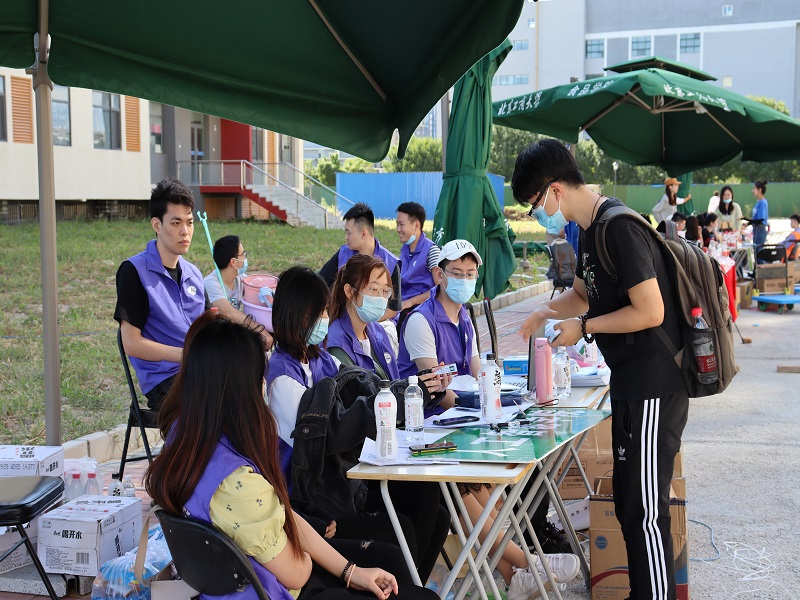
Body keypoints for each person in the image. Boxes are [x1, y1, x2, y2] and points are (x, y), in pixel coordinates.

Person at [144, 311, 436, 600]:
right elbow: (297, 572)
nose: (263, 386)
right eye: (259, 378)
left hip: (259, 574)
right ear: (240, 390)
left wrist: (350, 571)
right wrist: (304, 547)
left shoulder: (184, 435)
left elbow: (283, 514)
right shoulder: (236, 482)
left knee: (390, 558)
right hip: (279, 587)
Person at [513, 139, 687, 600]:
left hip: (654, 382)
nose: (537, 215)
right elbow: (582, 295)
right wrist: (545, 312)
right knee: (630, 503)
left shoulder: (618, 228)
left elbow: (650, 310)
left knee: (645, 511)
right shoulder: (588, 231)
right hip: (629, 381)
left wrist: (585, 327)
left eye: (534, 205)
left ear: (554, 190)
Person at [268, 266, 449, 584]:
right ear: (294, 314)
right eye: (317, 312)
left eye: (325, 311)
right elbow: (333, 431)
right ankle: (405, 586)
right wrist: (396, 400)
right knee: (400, 529)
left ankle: (411, 586)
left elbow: (366, 386)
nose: (324, 318)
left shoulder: (320, 358)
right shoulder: (282, 378)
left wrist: (416, 389)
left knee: (432, 505)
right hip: (316, 498)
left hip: (348, 479)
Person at [114, 179, 206, 410]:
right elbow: (131, 344)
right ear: (156, 224)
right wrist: (187, 356)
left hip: (200, 371)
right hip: (164, 379)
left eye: (189, 223)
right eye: (176, 223)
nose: (185, 231)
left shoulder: (194, 274)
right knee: (218, 404)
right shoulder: (134, 271)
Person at [397, 239, 482, 409]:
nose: (464, 280)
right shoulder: (420, 321)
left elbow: (478, 374)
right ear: (439, 274)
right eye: (456, 273)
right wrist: (476, 409)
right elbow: (438, 390)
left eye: (470, 274)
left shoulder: (464, 319)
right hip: (431, 416)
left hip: (464, 410)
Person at [319, 203, 402, 321]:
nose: (346, 237)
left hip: (379, 323)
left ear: (363, 233)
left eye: (349, 233)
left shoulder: (391, 263)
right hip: (343, 320)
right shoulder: (342, 254)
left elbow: (393, 308)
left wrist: (365, 322)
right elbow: (320, 282)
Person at [204, 234, 273, 349]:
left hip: (231, 333)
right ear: (233, 262)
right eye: (243, 254)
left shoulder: (240, 278)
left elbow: (259, 293)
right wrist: (261, 330)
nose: (245, 258)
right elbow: (230, 313)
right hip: (215, 339)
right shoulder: (211, 283)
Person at [395, 202, 437, 317]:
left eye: (401, 224)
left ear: (416, 225)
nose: (398, 229)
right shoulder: (404, 253)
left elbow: (441, 290)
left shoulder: (432, 251)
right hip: (401, 308)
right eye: (397, 224)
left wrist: (411, 302)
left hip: (421, 312)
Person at [747, 179, 769, 262]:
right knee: (756, 253)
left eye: (754, 188)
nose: (753, 190)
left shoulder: (762, 202)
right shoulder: (758, 202)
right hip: (756, 229)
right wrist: (748, 223)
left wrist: (747, 219)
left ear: (759, 190)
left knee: (759, 253)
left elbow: (760, 219)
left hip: (760, 229)